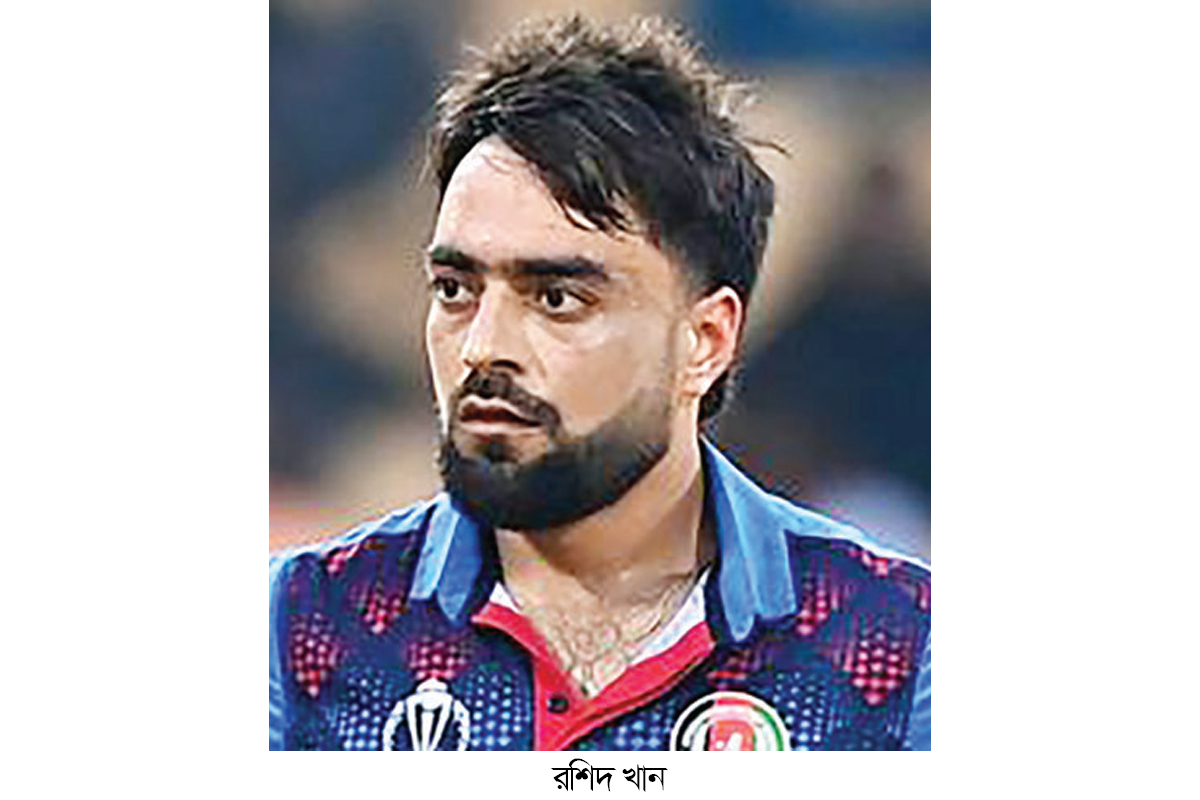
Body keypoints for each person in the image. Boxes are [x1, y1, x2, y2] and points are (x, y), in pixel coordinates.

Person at [269, 13, 930, 751]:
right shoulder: (299, 630)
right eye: (455, 289)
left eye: (557, 299)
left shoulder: (896, 647)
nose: (483, 347)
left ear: (705, 340)